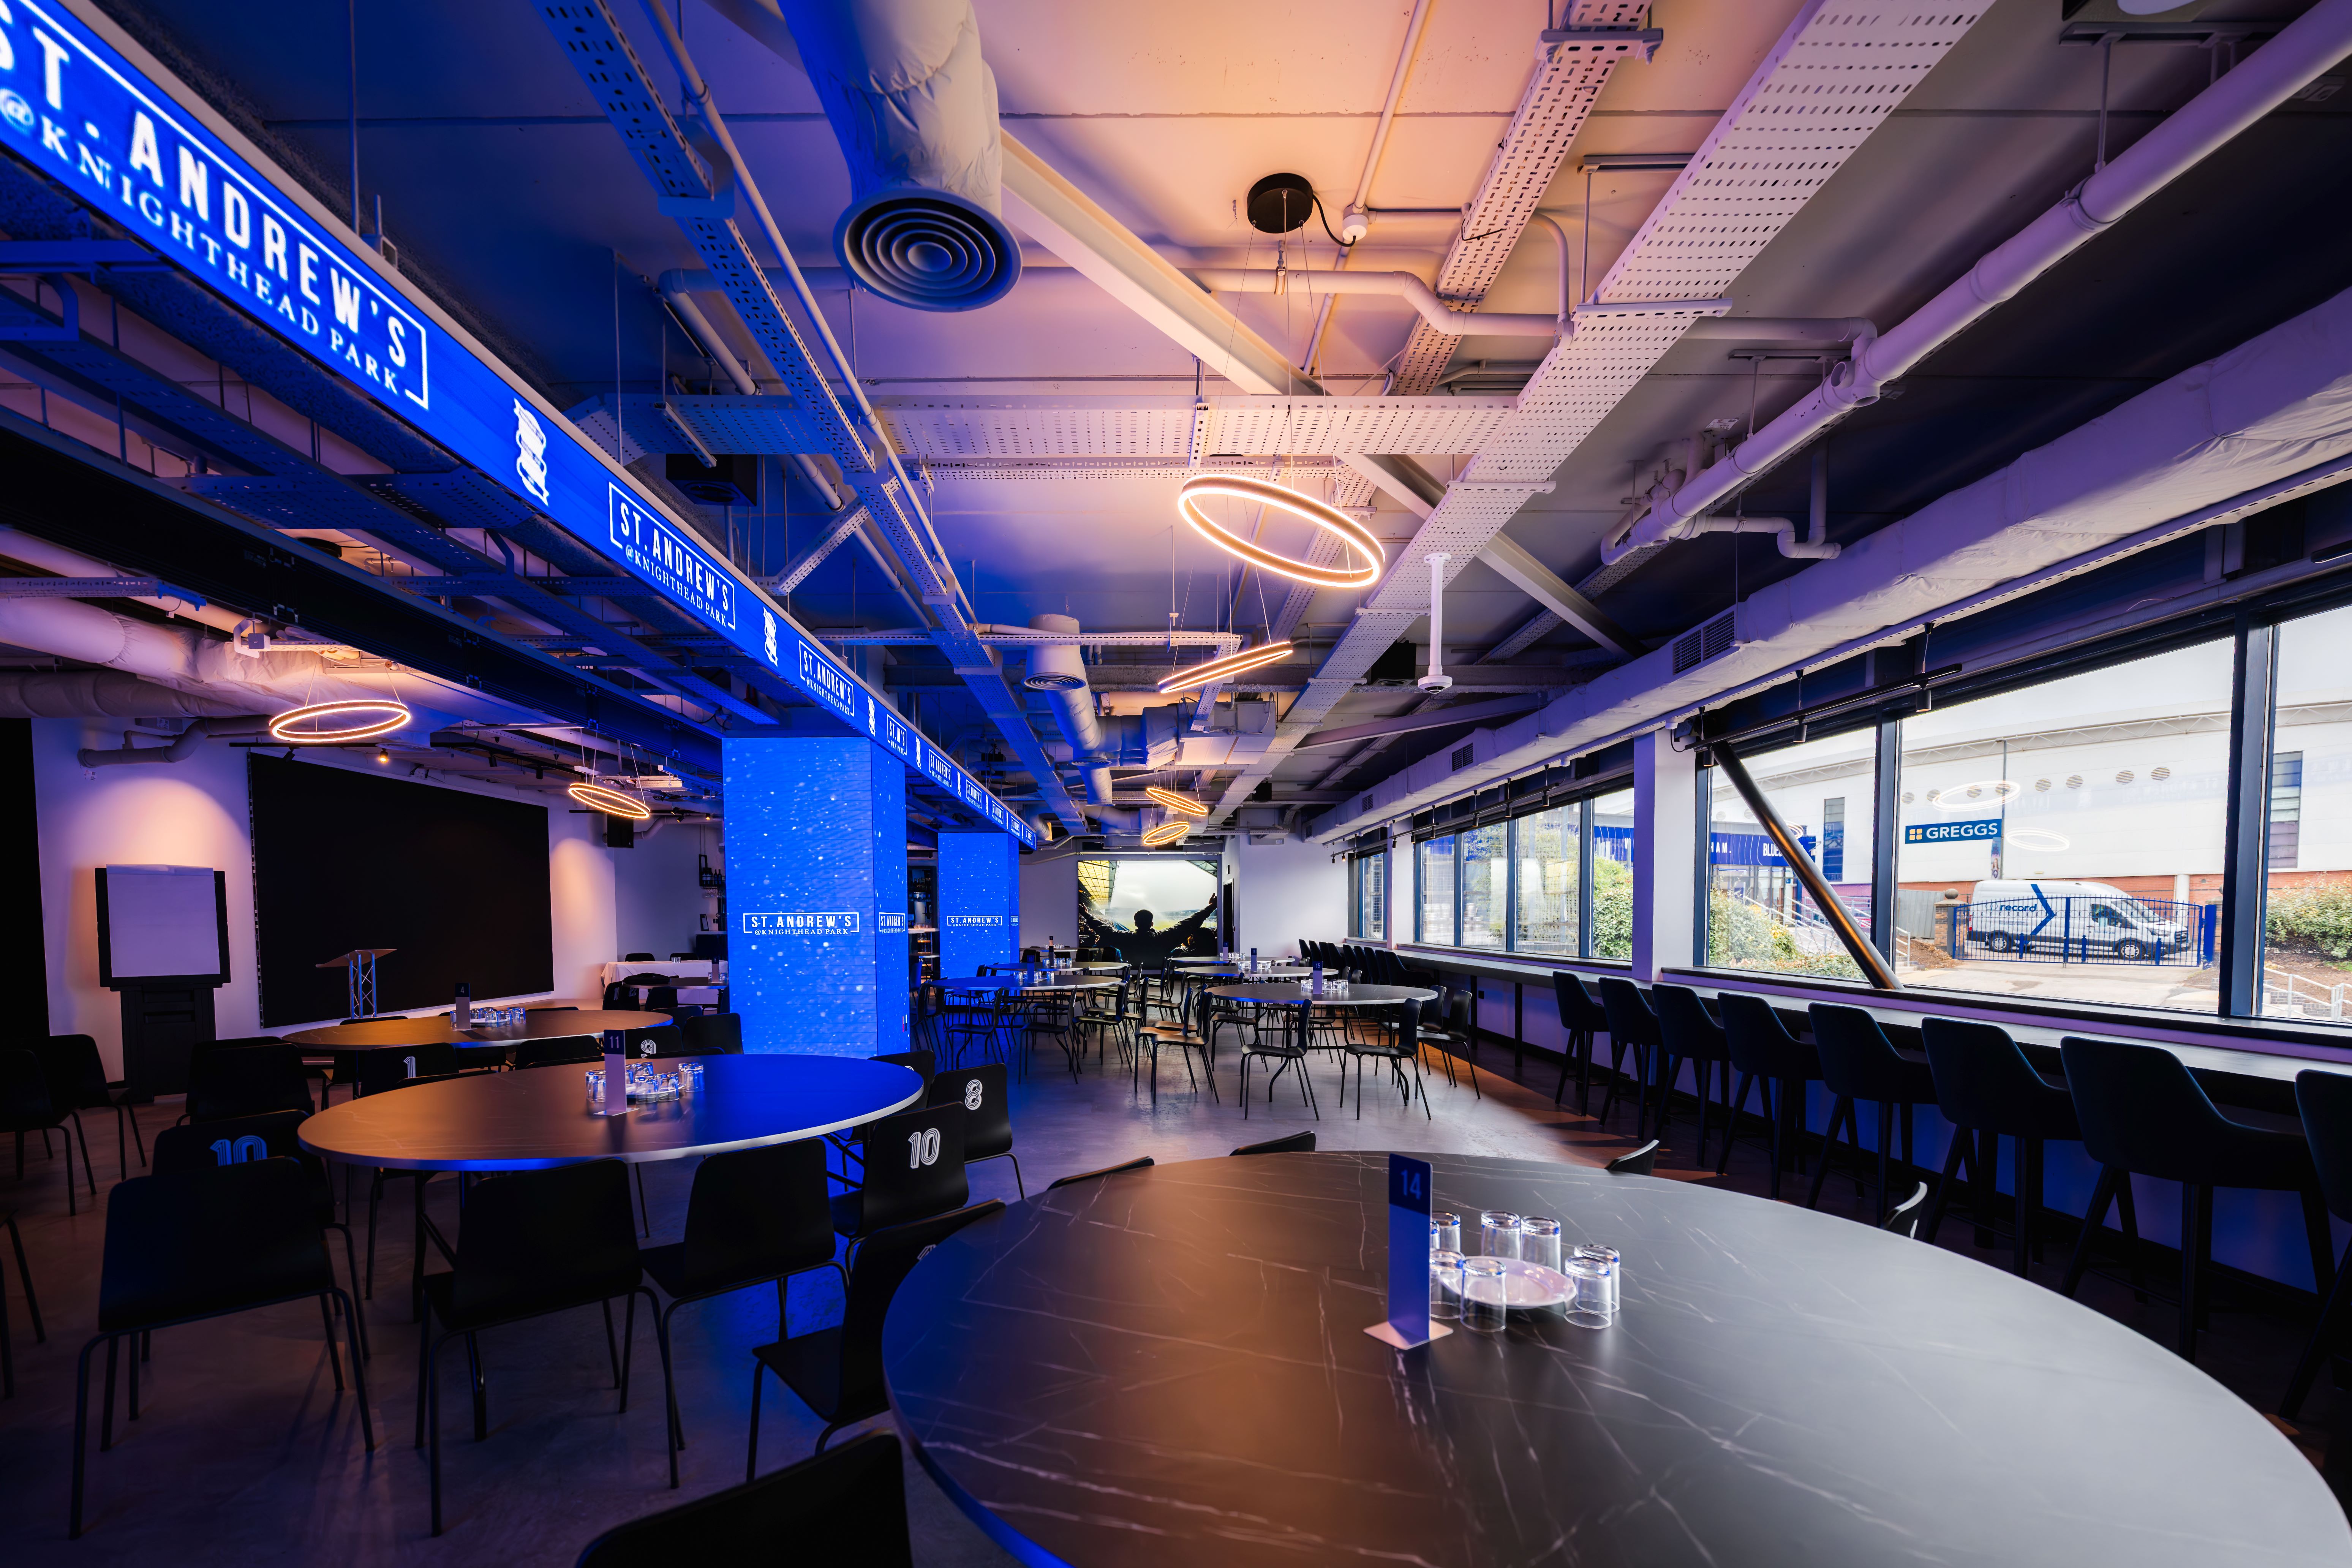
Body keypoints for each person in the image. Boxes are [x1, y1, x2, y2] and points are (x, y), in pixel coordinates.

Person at [1114, 903, 1216, 968]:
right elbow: (1188, 924)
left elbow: (1107, 930)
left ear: (1136, 924)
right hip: (1161, 976)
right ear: (1152, 924)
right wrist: (1211, 907)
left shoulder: (1125, 938)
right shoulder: (1164, 937)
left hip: (1132, 975)